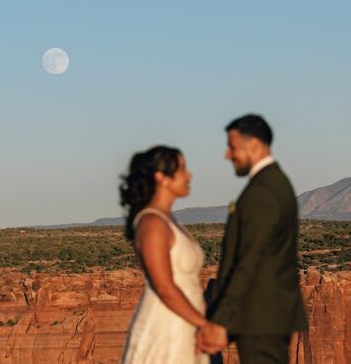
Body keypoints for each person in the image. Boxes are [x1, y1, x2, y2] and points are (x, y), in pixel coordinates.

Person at [197, 114, 308, 364]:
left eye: (232, 146)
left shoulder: (263, 191)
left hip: (261, 318)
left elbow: (250, 259)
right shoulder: (271, 183)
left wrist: (221, 320)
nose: (227, 155)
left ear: (254, 144)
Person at [120, 146, 209, 364]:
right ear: (162, 178)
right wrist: (205, 325)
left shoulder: (168, 220)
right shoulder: (152, 223)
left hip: (184, 321)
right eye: (182, 169)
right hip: (166, 325)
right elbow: (164, 288)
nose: (189, 175)